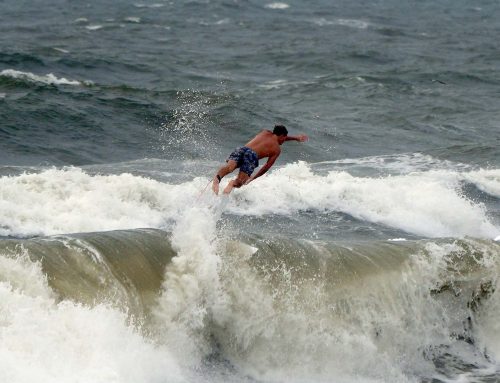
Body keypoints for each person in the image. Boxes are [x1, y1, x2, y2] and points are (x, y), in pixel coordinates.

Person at [212, 125, 308, 195]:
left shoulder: (265, 132)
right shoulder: (276, 150)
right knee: (240, 181)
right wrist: (253, 178)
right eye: (284, 138)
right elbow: (266, 167)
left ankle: (217, 179)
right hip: (252, 156)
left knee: (229, 168)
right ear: (282, 136)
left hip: (241, 149)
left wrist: (295, 138)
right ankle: (232, 183)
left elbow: (280, 136)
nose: (284, 141)